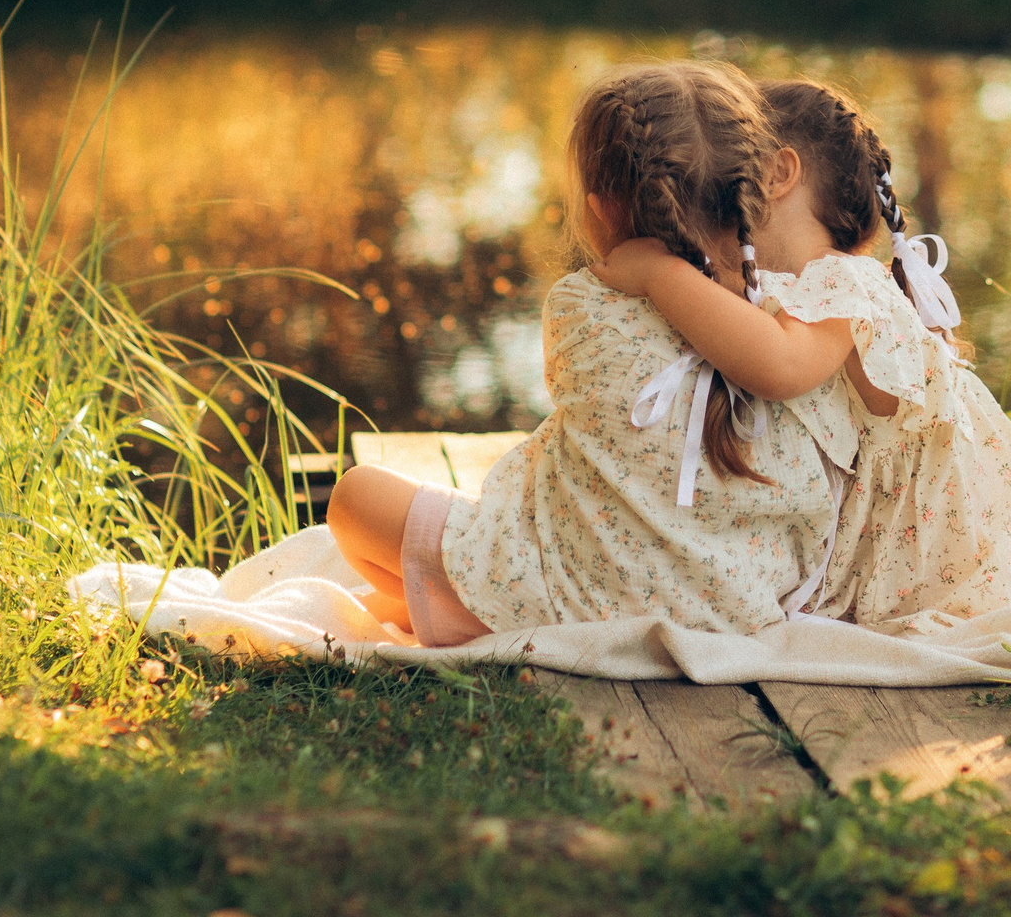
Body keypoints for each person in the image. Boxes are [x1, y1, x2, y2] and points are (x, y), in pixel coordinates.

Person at [324, 61, 845, 641]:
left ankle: (457, 603)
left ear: (601, 207)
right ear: (751, 190)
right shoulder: (789, 314)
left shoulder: (580, 303)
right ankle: (449, 601)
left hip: (572, 595)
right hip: (736, 609)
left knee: (354, 497)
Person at [601, 80, 1011, 624]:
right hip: (896, 522)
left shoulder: (843, 283)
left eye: (732, 176)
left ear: (776, 173)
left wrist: (660, 275)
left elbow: (778, 366)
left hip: (940, 551)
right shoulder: (806, 288)